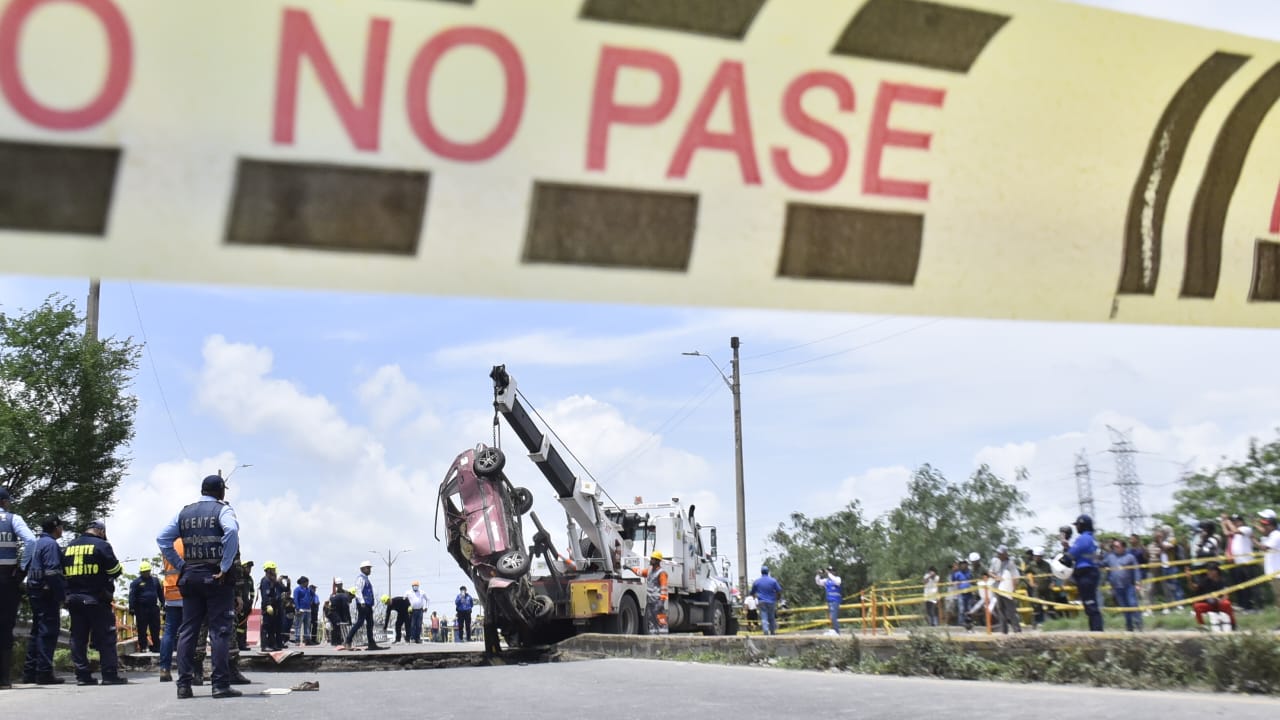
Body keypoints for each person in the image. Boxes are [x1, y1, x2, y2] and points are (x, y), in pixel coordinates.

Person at [157, 473, 243, 699]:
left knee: (187, 631)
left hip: (190, 577)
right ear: (221, 491)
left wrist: (180, 565)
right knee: (220, 631)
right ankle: (220, 685)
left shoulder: (184, 512)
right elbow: (232, 531)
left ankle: (183, 686)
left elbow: (162, 539)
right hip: (216, 578)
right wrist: (225, 566)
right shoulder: (223, 510)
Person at [64, 519, 128, 685]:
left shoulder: (70, 546)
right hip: (96, 599)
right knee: (106, 636)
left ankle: (82, 676)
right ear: (100, 531)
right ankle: (109, 675)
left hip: (73, 599)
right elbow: (115, 570)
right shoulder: (101, 545)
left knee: (78, 638)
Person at [0, 486, 36, 689]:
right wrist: (22, 569)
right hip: (6, 579)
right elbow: (31, 540)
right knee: (5, 627)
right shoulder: (13, 519)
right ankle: (4, 679)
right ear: (4, 502)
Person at [23, 516, 65, 684]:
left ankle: (30, 672)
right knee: (47, 632)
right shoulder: (51, 545)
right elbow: (52, 573)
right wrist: (62, 596)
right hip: (46, 593)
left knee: (36, 632)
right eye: (61, 526)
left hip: (33, 590)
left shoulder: (36, 543)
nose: (62, 530)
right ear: (56, 527)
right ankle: (44, 673)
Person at [1063, 514, 1103, 632]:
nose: (1076, 528)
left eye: (1078, 525)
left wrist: (1065, 555)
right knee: (1091, 603)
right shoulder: (1092, 539)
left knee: (1090, 605)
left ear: (1083, 525)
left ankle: (1097, 632)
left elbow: (1070, 556)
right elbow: (1090, 556)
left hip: (1085, 574)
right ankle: (1096, 631)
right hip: (1092, 572)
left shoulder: (1083, 539)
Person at [157, 538, 185, 682]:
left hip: (169, 590)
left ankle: (164, 669)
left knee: (169, 632)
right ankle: (187, 669)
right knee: (188, 632)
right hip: (186, 590)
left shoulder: (167, 544)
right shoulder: (188, 541)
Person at [1104, 538, 1141, 632]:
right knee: (1124, 607)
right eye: (1113, 546)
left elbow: (1136, 570)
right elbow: (1102, 564)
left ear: (1123, 547)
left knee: (1132, 604)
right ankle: (1129, 627)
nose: (1115, 548)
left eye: (1117, 546)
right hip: (1116, 586)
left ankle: (1138, 624)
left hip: (1128, 585)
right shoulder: (1110, 557)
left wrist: (1137, 582)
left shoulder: (1130, 557)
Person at [1221, 514, 1256, 611]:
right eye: (1233, 522)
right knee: (1240, 586)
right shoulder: (1234, 534)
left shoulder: (1246, 529)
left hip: (1247, 563)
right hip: (1237, 563)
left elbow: (1236, 531)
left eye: (1237, 521)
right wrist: (1223, 523)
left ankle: (1252, 606)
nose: (1235, 523)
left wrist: (1227, 521)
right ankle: (1243, 605)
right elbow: (1226, 533)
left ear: (1242, 521)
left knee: (1249, 587)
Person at [345, 560, 383, 650]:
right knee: (360, 622)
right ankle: (348, 640)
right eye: (368, 568)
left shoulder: (366, 579)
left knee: (370, 623)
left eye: (369, 568)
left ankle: (371, 643)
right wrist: (362, 602)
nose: (369, 570)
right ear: (362, 569)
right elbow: (358, 591)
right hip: (363, 604)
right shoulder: (360, 578)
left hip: (368, 604)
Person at [1191, 562, 1236, 630]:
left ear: (1216, 571)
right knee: (1197, 606)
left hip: (1220, 603)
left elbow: (1226, 595)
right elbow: (1195, 588)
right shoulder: (1205, 580)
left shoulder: (1223, 580)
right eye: (1208, 571)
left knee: (1227, 604)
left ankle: (1233, 624)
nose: (1209, 573)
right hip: (1209, 604)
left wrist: (1219, 601)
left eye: (1211, 571)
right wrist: (1189, 579)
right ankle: (1202, 626)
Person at [129, 560, 162, 653]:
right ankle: (143, 647)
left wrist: (163, 603)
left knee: (155, 628)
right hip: (141, 609)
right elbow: (132, 595)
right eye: (144, 572)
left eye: (147, 571)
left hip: (153, 608)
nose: (146, 573)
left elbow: (160, 593)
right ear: (141, 572)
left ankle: (156, 647)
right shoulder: (136, 582)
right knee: (142, 629)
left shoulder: (155, 581)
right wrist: (131, 607)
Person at [634, 551, 669, 634]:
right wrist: (629, 568)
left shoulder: (661, 573)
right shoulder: (649, 570)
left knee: (661, 620)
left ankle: (663, 639)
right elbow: (640, 572)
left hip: (658, 601)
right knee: (651, 621)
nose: (651, 560)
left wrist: (661, 601)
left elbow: (664, 588)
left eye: (653, 559)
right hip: (650, 601)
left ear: (657, 561)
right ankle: (653, 639)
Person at [990, 545, 1021, 634]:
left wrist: (1013, 590)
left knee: (1011, 610)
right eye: (998, 553)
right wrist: (996, 577)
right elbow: (990, 572)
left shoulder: (1010, 563)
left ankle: (1017, 629)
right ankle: (1004, 630)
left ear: (1005, 554)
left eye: (1001, 553)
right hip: (997, 588)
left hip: (1007, 590)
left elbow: (1015, 577)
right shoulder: (995, 561)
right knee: (1001, 610)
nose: (999, 555)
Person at [1258, 510, 1280, 615]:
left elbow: (1264, 548)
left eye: (1266, 525)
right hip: (1274, 574)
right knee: (1278, 599)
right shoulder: (1271, 536)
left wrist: (1252, 538)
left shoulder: (1276, 535)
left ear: (1272, 526)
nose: (1264, 527)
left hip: (1278, 574)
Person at [750, 566, 782, 635]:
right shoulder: (773, 581)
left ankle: (765, 631)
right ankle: (772, 632)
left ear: (761, 572)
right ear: (768, 572)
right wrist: (778, 598)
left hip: (761, 602)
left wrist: (755, 597)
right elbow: (779, 590)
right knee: (771, 617)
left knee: (764, 617)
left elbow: (752, 592)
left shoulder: (757, 582)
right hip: (771, 601)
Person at [814, 566, 842, 635]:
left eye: (831, 571)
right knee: (831, 617)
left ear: (834, 572)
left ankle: (837, 632)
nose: (830, 572)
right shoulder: (826, 580)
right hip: (829, 601)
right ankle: (835, 630)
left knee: (833, 616)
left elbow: (838, 582)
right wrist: (818, 575)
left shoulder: (837, 578)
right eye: (829, 571)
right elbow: (818, 582)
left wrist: (828, 573)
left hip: (836, 600)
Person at [235, 560, 255, 651]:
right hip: (238, 605)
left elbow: (252, 590)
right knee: (237, 625)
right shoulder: (239, 578)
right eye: (248, 568)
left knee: (243, 626)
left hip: (246, 605)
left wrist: (251, 600)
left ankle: (242, 643)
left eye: (250, 568)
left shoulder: (250, 579)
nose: (249, 570)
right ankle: (237, 644)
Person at [328, 579, 352, 647]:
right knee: (336, 626)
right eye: (338, 585)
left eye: (340, 584)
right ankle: (335, 641)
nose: (339, 586)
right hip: (336, 612)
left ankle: (344, 640)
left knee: (344, 626)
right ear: (336, 585)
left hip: (344, 611)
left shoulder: (346, 593)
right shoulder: (333, 594)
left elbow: (349, 602)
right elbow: (331, 604)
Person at [292, 576, 314, 645]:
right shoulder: (297, 590)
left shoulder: (308, 589)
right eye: (307, 582)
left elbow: (313, 595)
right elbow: (295, 599)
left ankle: (307, 639)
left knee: (307, 625)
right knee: (298, 625)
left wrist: (311, 601)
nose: (308, 583)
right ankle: (297, 640)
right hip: (300, 610)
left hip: (308, 610)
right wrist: (297, 609)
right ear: (303, 582)